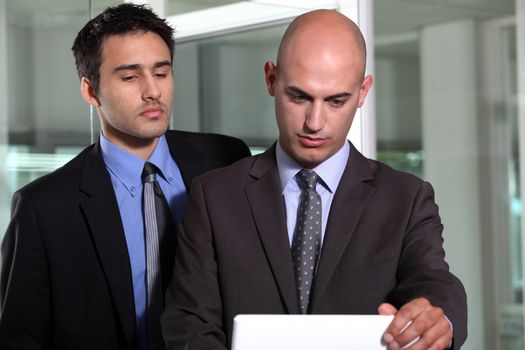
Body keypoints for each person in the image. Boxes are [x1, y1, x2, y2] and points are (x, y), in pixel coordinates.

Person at [161, 9, 467, 350]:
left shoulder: (407, 199)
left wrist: (440, 317)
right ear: (271, 79)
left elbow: (434, 281)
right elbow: (189, 323)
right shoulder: (213, 197)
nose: (315, 122)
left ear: (363, 91)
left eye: (337, 101)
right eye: (299, 97)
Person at [0, 4, 250, 350]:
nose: (153, 91)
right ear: (90, 91)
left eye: (161, 73)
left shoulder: (226, 160)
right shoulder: (43, 208)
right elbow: (21, 339)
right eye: (130, 77)